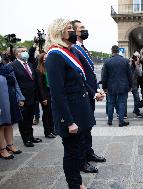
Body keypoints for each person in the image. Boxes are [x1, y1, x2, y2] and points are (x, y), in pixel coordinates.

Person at [45, 18, 95, 189]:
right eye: (69, 29)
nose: (73, 31)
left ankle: (78, 181)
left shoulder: (70, 52)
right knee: (72, 152)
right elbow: (57, 93)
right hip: (70, 114)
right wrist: (69, 121)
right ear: (59, 33)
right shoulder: (54, 56)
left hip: (78, 109)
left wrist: (94, 93)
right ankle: (74, 185)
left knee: (77, 150)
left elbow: (79, 80)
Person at [71, 20, 106, 173]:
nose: (85, 30)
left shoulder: (82, 48)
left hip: (89, 93)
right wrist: (94, 92)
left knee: (88, 126)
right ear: (74, 32)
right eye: (81, 28)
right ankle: (81, 160)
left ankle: (88, 152)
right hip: (83, 94)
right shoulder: (74, 49)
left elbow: (90, 73)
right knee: (83, 127)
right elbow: (81, 76)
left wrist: (97, 90)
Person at [10, 47, 42, 147]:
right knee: (23, 120)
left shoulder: (30, 64)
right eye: (22, 51)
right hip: (22, 98)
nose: (25, 53)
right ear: (16, 54)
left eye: (25, 51)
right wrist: (19, 97)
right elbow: (14, 83)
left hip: (32, 96)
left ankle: (31, 137)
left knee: (30, 118)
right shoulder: (13, 65)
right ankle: (26, 139)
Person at [102, 45, 132, 127]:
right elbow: (129, 75)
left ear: (112, 51)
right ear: (118, 51)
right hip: (123, 85)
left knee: (110, 103)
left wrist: (104, 87)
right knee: (122, 103)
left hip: (111, 86)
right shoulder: (125, 61)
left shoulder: (107, 62)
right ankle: (121, 121)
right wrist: (130, 86)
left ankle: (110, 121)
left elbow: (104, 76)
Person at [0, 58, 24, 159]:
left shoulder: (7, 68)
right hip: (1, 101)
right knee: (1, 125)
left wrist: (20, 97)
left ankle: (10, 145)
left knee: (10, 123)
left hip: (11, 100)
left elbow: (16, 84)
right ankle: (2, 149)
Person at [35, 53, 56, 138]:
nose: (45, 60)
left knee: (52, 113)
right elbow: (40, 86)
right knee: (47, 113)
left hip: (52, 93)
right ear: (41, 60)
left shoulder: (50, 68)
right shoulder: (38, 70)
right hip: (45, 94)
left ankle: (52, 130)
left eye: (47, 58)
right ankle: (47, 132)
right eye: (44, 58)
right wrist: (43, 98)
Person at [130, 51, 143, 118]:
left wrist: (136, 65)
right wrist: (131, 63)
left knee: (137, 98)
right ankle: (123, 113)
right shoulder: (128, 63)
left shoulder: (139, 64)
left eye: (138, 57)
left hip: (135, 84)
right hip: (128, 84)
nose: (136, 58)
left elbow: (140, 74)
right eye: (135, 56)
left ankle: (136, 110)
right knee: (124, 99)